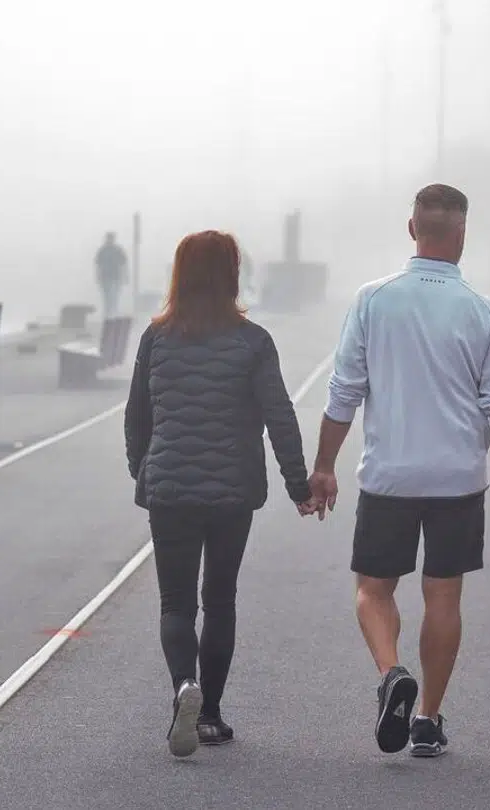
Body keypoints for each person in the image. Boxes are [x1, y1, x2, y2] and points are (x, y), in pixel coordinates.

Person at [306, 183, 490, 758]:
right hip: (458, 478)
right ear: (462, 234)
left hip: (389, 475)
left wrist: (324, 465)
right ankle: (429, 720)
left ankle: (392, 675)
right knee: (443, 599)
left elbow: (344, 390)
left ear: (412, 229)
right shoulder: (484, 312)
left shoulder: (373, 300)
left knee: (372, 591)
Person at [124, 229, 315, 758]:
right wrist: (299, 484)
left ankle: (184, 686)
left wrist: (144, 470)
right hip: (233, 493)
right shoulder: (252, 341)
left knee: (176, 603)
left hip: (169, 490)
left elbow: (137, 414)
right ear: (233, 275)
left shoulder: (156, 338)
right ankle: (209, 716)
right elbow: (279, 415)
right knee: (220, 599)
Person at [95, 232, 128, 316]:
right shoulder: (103, 250)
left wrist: (125, 275)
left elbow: (123, 264)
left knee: (115, 295)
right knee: (107, 296)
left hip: (116, 276)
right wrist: (98, 276)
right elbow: (98, 264)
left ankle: (113, 311)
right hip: (106, 276)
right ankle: (108, 311)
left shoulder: (117, 250)